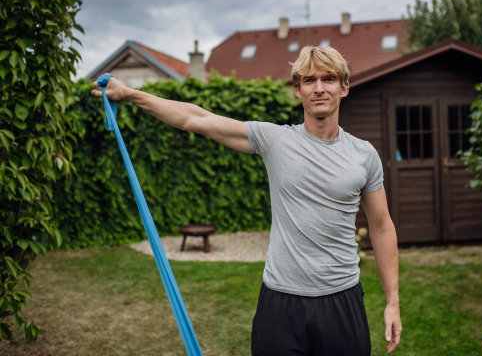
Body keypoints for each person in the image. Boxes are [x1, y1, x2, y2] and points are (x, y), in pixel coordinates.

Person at [92, 45, 402, 355]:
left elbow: (382, 227)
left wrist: (393, 303)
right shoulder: (275, 140)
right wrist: (128, 93)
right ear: (297, 89)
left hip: (342, 300)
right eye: (309, 80)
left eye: (329, 79)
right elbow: (197, 119)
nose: (319, 88)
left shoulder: (364, 155)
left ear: (344, 87)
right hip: (281, 302)